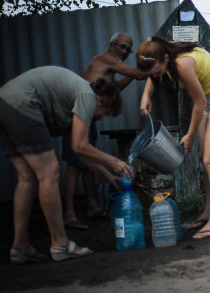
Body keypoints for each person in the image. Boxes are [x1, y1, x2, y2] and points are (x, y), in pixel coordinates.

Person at [0, 66, 133, 263]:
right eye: (104, 112)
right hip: (21, 103)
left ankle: (20, 247)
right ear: (102, 100)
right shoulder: (87, 96)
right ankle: (60, 244)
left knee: (27, 178)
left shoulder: (75, 98)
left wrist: (108, 175)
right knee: (49, 172)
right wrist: (113, 160)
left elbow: (79, 151)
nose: (99, 117)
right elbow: (80, 145)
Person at [135, 36, 210, 240]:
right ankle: (209, 212)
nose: (156, 76)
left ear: (165, 59)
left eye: (157, 71)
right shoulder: (160, 56)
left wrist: (190, 136)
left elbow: (198, 102)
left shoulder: (182, 63)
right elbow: (152, 74)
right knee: (204, 157)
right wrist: (145, 96)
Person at [62, 32, 156, 231]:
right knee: (74, 164)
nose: (123, 51)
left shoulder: (110, 68)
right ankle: (69, 214)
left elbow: (118, 86)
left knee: (87, 164)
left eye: (127, 50)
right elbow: (139, 74)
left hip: (87, 114)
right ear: (111, 45)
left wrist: (134, 74)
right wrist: (152, 58)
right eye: (121, 46)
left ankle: (92, 206)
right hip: (78, 112)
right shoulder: (105, 59)